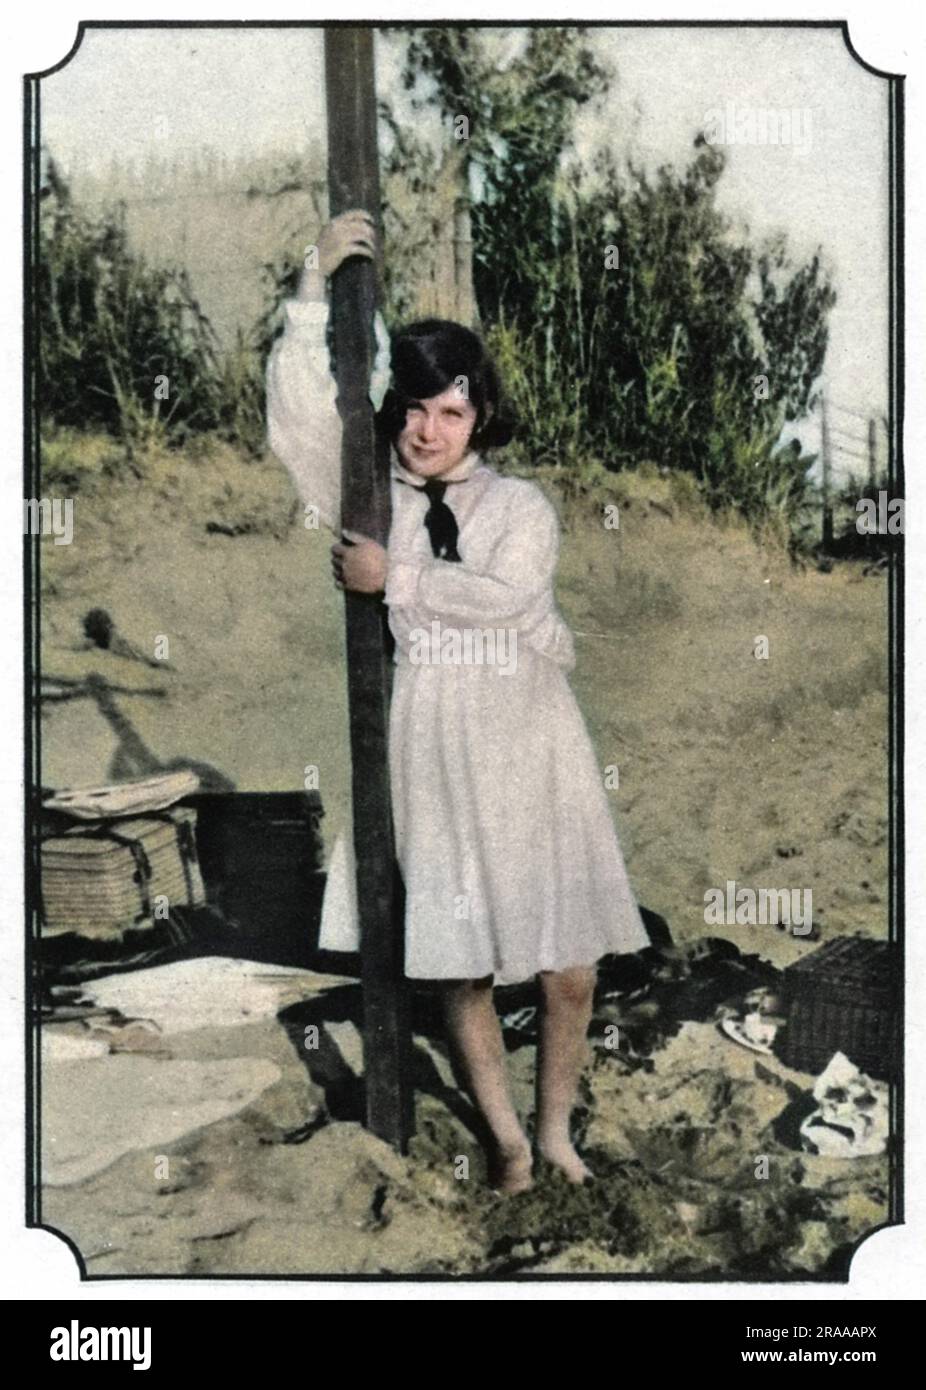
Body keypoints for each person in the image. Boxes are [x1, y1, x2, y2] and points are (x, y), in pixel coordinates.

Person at [266, 210, 651, 1194]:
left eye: (451, 412)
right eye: (415, 410)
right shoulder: (367, 492)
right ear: (395, 412)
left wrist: (389, 577)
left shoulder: (520, 508)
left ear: (479, 415)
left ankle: (556, 1129)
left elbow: (503, 602)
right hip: (430, 730)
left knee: (567, 965)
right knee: (461, 960)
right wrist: (314, 287)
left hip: (529, 732)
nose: (429, 432)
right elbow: (297, 417)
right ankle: (508, 1144)